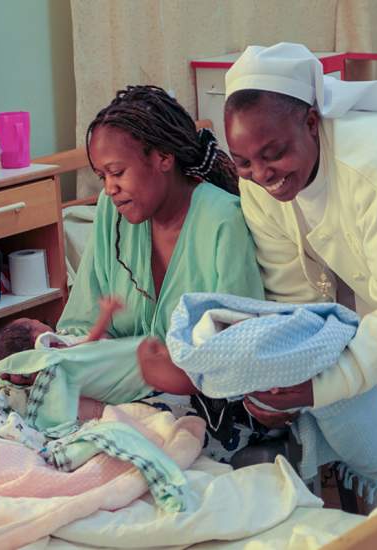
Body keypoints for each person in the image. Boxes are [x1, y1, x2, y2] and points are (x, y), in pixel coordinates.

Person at [54, 85, 265, 457]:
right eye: (102, 176)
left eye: (117, 172)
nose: (110, 189)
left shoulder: (222, 220)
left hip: (203, 401)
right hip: (122, 392)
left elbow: (241, 347)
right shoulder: (111, 211)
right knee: (35, 379)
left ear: (163, 157)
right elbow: (80, 325)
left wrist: (170, 371)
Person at [222, 44, 377, 440]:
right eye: (244, 161)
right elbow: (290, 290)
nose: (262, 174)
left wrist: (321, 386)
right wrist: (287, 375)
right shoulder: (255, 184)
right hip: (369, 295)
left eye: (274, 153)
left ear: (312, 122)